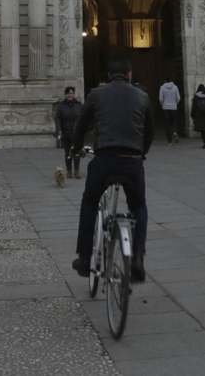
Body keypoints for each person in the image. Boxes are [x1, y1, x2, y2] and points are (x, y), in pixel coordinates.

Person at [71, 57, 152, 282]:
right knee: (139, 206)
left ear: (108, 77)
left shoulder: (97, 94)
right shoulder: (143, 96)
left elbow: (81, 125)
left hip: (104, 159)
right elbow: (150, 131)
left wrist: (76, 148)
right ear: (129, 75)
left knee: (89, 202)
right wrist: (140, 154)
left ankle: (85, 258)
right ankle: (137, 258)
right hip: (132, 161)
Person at [56, 86, 84, 179]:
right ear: (65, 95)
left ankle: (77, 170)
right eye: (68, 93)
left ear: (74, 94)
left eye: (71, 93)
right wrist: (59, 130)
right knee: (67, 153)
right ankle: (69, 171)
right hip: (66, 132)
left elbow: (82, 118)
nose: (69, 95)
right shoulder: (61, 106)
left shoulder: (79, 105)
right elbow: (58, 119)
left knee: (77, 152)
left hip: (76, 133)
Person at [158, 78, 181, 144]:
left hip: (165, 107)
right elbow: (178, 98)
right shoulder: (175, 87)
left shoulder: (162, 88)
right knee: (173, 121)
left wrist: (163, 105)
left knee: (167, 124)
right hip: (173, 107)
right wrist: (175, 104)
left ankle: (169, 140)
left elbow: (161, 99)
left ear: (165, 80)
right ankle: (174, 132)